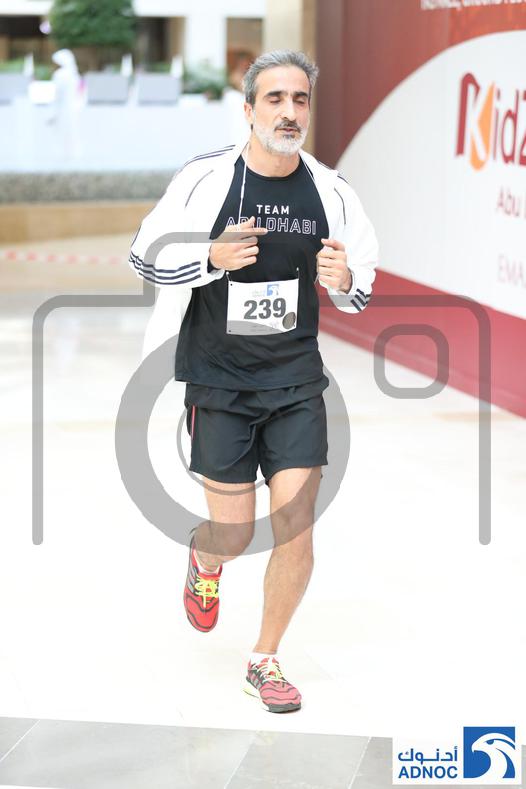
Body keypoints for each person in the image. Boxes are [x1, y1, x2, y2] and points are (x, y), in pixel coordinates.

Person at [129, 50, 379, 713]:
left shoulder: (332, 191)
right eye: (275, 99)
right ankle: (206, 560)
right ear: (248, 109)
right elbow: (144, 253)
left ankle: (264, 659)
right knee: (235, 534)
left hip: (296, 383)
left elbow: (363, 278)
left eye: (300, 100)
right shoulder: (206, 178)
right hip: (219, 383)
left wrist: (347, 280)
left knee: (296, 529)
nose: (289, 112)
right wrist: (208, 256)